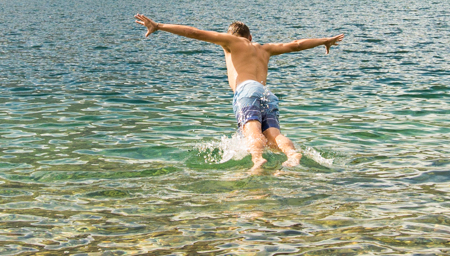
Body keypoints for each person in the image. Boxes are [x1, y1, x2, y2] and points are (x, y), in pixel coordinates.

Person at [134, 15, 345, 169]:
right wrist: (324, 41)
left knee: (252, 133)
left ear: (229, 37)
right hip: (266, 93)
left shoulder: (231, 42)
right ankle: (292, 154)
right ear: (250, 36)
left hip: (246, 91)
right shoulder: (264, 48)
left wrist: (159, 26)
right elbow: (296, 45)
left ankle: (257, 160)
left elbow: (195, 32)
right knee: (273, 135)